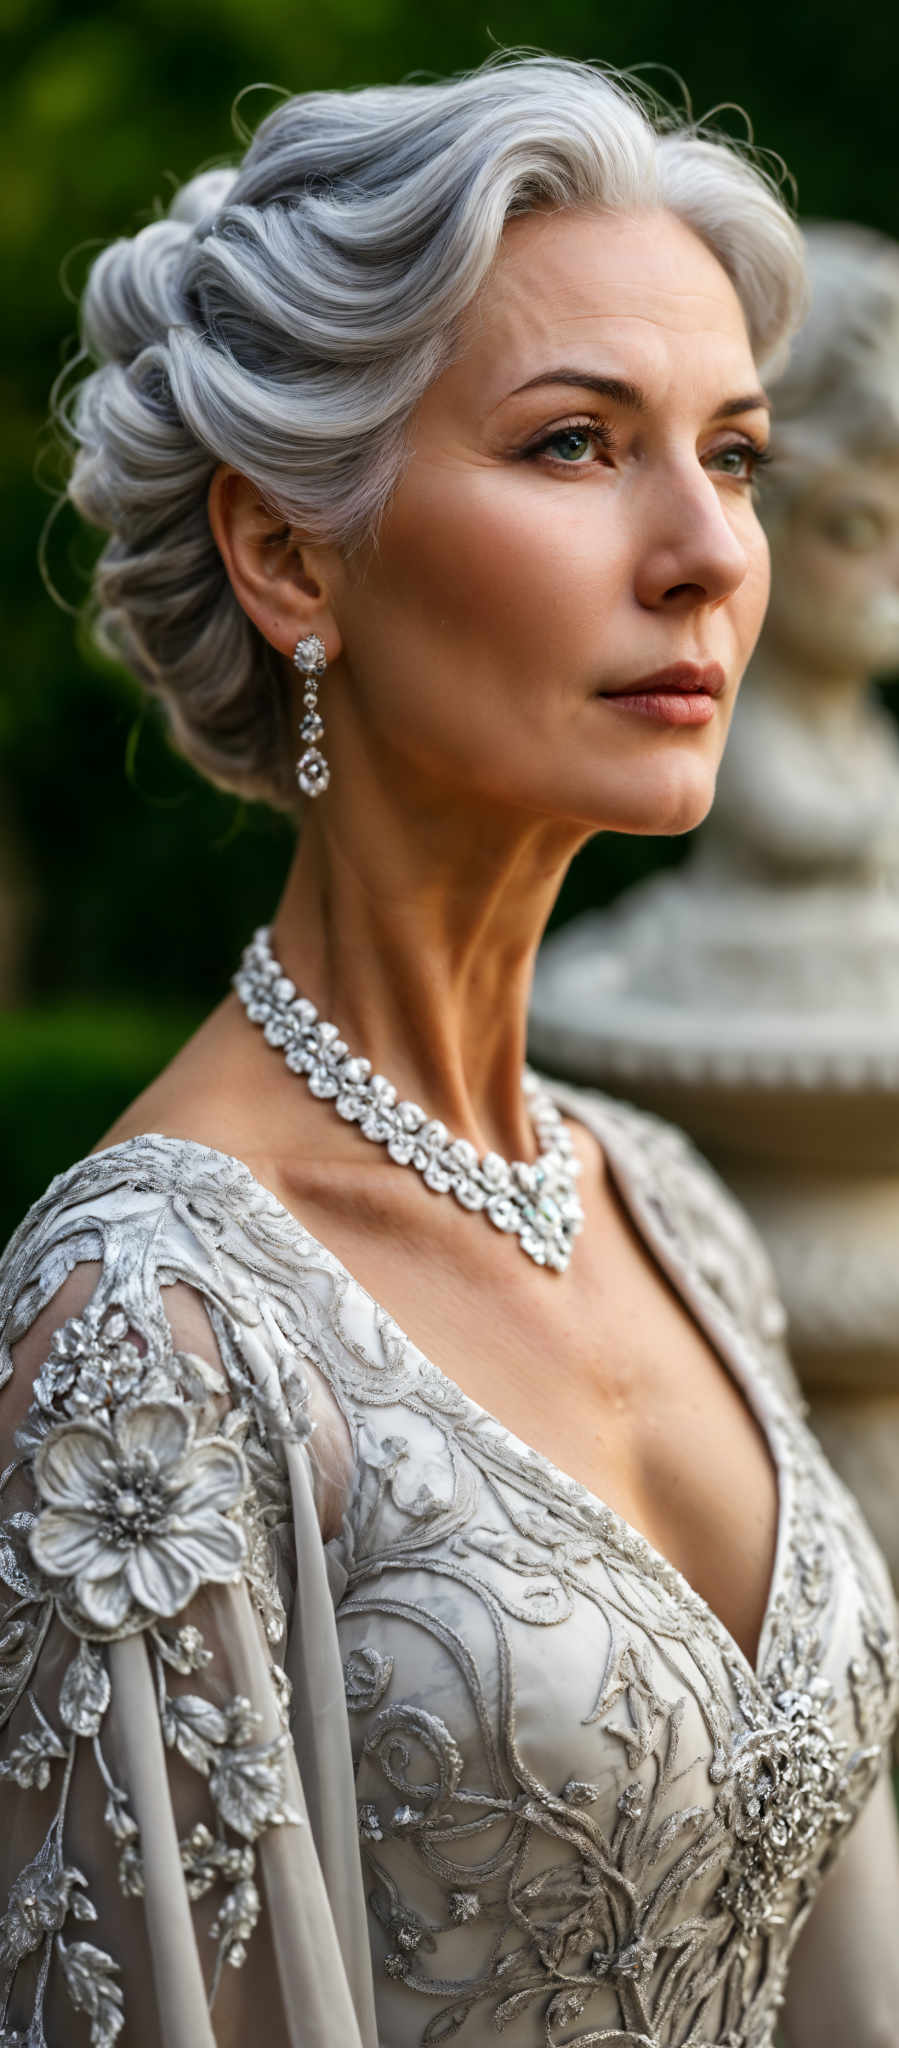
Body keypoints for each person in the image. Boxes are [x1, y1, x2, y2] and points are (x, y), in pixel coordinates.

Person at [0, 55, 896, 2048]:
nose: (709, 553)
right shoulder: (152, 1329)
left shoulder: (672, 1208)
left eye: (733, 455)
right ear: (290, 555)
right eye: (579, 444)